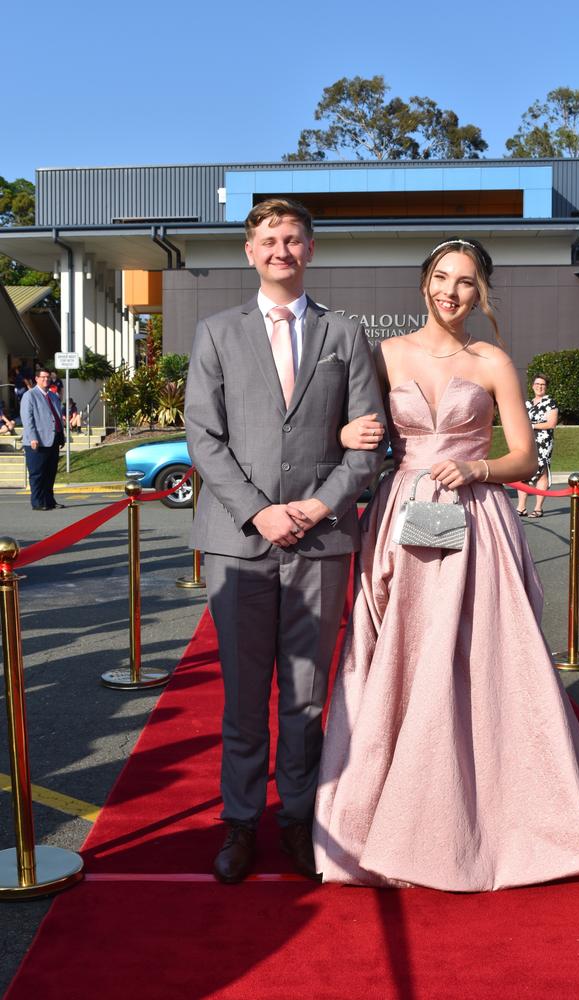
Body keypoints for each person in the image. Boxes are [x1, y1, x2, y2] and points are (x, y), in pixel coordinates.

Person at [313, 238, 579, 892]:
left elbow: (526, 456)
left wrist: (478, 466)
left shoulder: (493, 360)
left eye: (466, 282)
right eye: (442, 277)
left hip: (477, 522)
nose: (452, 291)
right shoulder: (384, 356)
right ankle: (388, 813)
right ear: (423, 283)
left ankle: (493, 817)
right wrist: (343, 437)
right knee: (406, 658)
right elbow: (349, 431)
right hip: (401, 522)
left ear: (481, 293)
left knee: (481, 662)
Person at [184, 197, 387, 885]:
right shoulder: (216, 333)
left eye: (294, 239)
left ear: (311, 250)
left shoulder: (345, 335)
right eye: (269, 239)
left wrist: (314, 506)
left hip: (321, 541)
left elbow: (368, 440)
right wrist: (258, 513)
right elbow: (203, 439)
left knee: (305, 695)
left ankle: (298, 822)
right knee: (244, 694)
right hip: (238, 542)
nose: (282, 250)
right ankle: (240, 823)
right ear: (249, 252)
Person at [20, 367, 66, 511]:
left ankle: (49, 500)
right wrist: (33, 438)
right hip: (37, 442)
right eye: (43, 377)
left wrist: (61, 436)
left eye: (48, 377)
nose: (46, 380)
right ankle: (38, 502)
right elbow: (27, 419)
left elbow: (57, 417)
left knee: (50, 473)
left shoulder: (53, 396)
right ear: (37, 379)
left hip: (53, 440)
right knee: (37, 473)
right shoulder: (30, 395)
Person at [516, 373, 558, 518]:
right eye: (537, 384)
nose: (540, 387)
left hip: (543, 442)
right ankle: (521, 507)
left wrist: (531, 425)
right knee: (523, 472)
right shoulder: (527, 404)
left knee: (541, 473)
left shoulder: (550, 402)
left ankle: (538, 508)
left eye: (543, 385)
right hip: (527, 442)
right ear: (533, 386)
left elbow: (551, 424)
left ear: (546, 387)